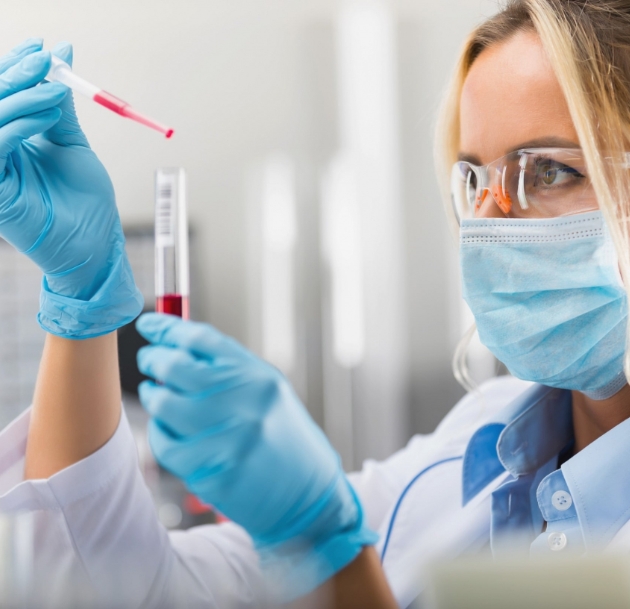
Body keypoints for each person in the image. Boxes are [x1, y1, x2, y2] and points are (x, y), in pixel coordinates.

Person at [0, 0, 629, 607]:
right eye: (474, 179)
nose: (489, 222)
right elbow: (117, 590)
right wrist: (82, 298)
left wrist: (325, 545)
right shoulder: (477, 456)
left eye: (547, 170)